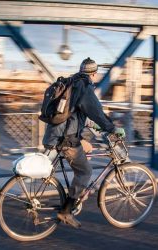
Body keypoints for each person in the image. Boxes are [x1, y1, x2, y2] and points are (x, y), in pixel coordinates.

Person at [42, 57, 125, 228]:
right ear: (94, 74)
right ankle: (66, 211)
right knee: (85, 172)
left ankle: (80, 193)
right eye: (95, 75)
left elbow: (79, 115)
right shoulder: (84, 87)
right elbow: (96, 112)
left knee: (88, 148)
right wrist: (111, 128)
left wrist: (96, 126)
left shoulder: (72, 83)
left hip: (55, 133)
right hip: (66, 138)